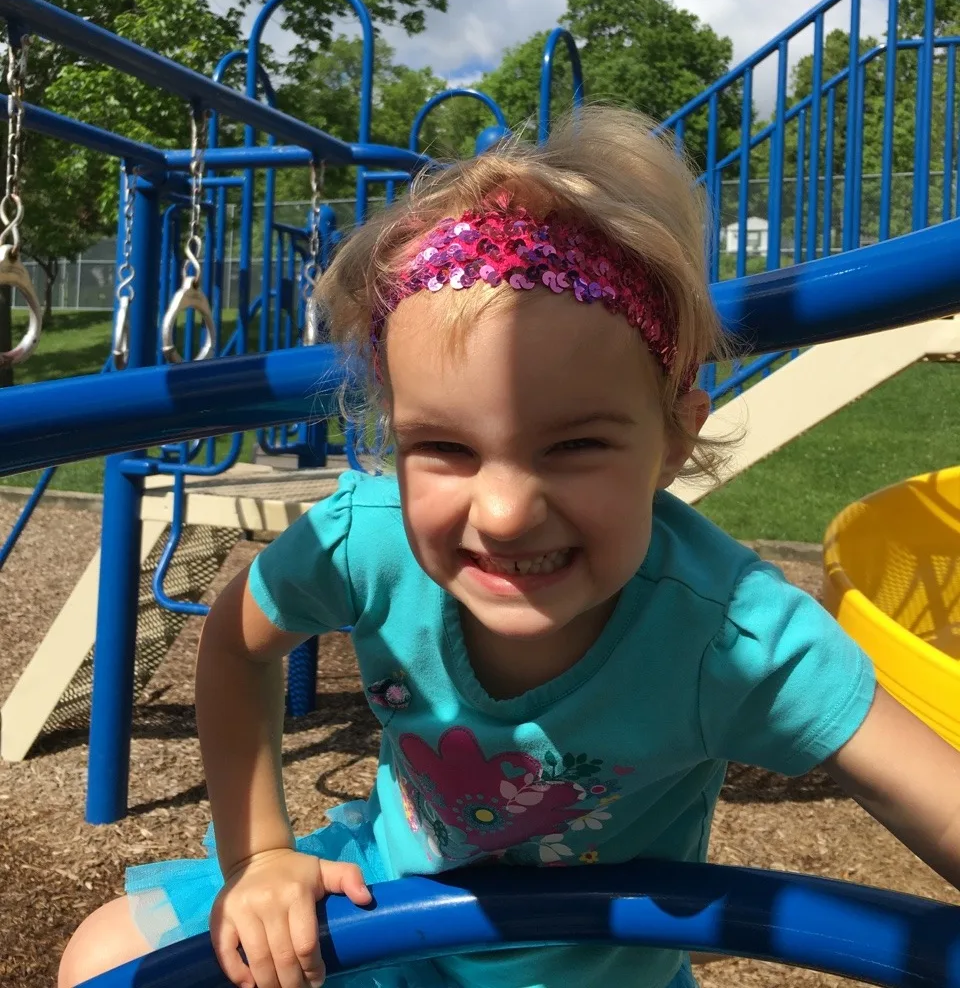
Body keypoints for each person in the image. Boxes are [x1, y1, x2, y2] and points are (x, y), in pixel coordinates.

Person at [60, 106, 960, 988]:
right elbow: (237, 639)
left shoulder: (728, 635)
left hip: (594, 975)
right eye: (444, 447)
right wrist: (259, 854)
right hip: (381, 920)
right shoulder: (366, 543)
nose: (502, 513)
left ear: (675, 435)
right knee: (103, 955)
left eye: (574, 445)